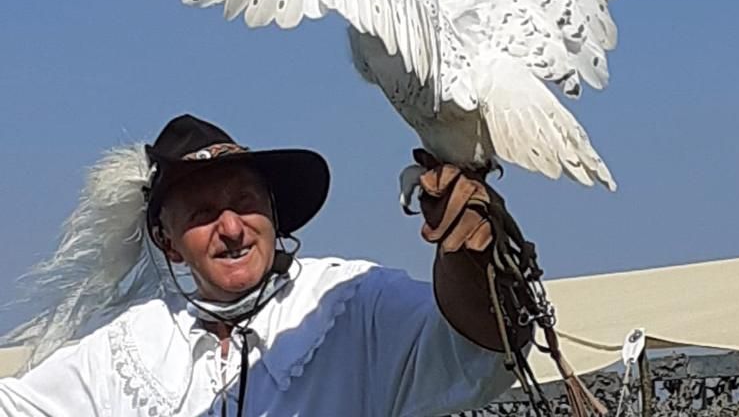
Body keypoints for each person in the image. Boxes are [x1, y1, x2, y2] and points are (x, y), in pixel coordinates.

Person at [0, 114, 522, 416]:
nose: (231, 228)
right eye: (203, 214)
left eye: (245, 202)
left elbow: (479, 343)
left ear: (274, 214)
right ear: (169, 242)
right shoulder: (124, 350)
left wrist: (468, 256)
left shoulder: (354, 303)